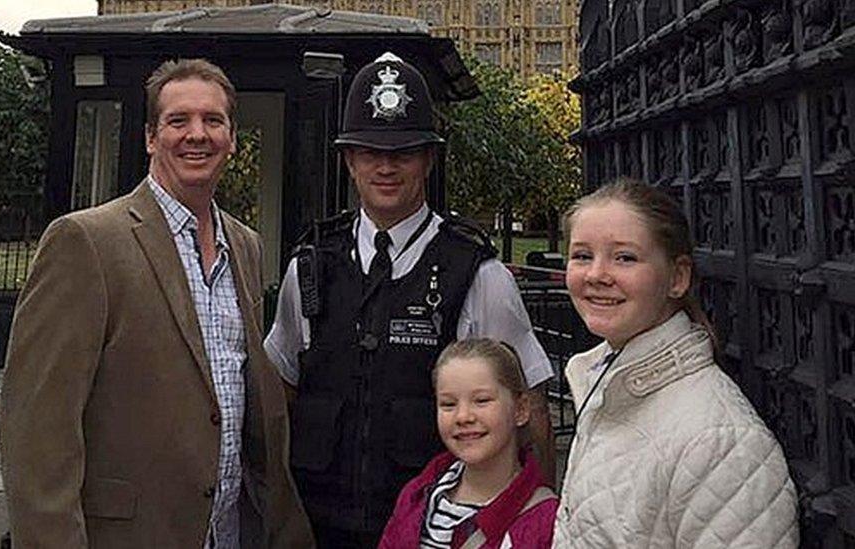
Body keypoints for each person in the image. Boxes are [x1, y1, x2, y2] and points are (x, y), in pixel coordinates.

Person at [0, 58, 313, 548]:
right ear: (150, 137)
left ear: (232, 138)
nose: (197, 134)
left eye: (213, 121)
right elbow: (38, 434)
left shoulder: (245, 246)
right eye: (177, 120)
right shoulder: (86, 242)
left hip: (227, 534)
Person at [263, 51, 555, 547]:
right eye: (370, 151)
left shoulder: (477, 274)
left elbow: (533, 415)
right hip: (315, 527)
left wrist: (536, 523)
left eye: (402, 152)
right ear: (349, 160)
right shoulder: (311, 266)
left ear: (427, 159)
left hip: (433, 531)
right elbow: (280, 395)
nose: (385, 166)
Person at [553, 179, 799, 547]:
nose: (596, 275)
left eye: (625, 257)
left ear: (677, 277)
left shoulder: (722, 441)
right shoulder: (603, 382)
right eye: (583, 255)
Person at [378, 338, 557, 549]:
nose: (463, 416)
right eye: (448, 404)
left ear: (520, 409)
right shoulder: (415, 496)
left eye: (481, 400)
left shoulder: (546, 522)